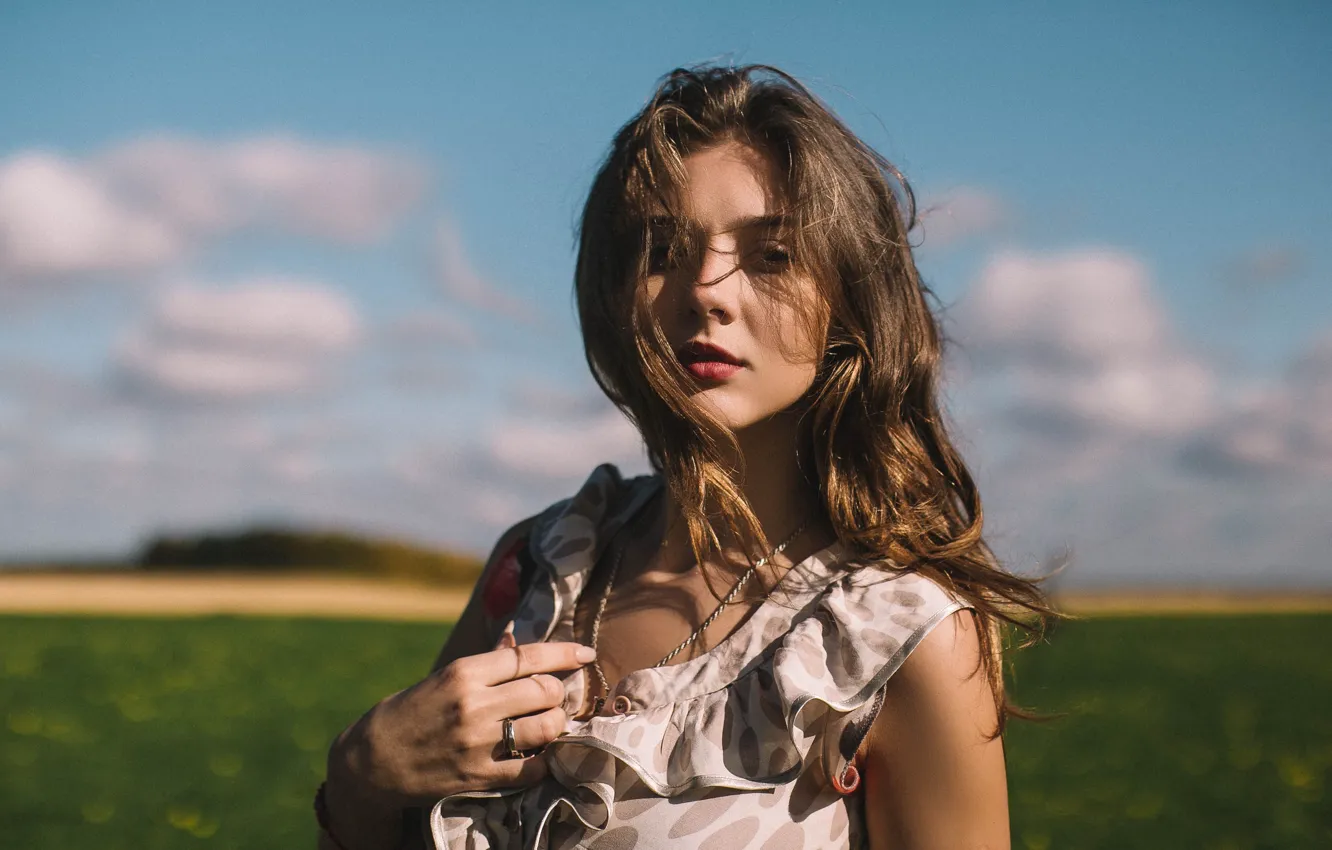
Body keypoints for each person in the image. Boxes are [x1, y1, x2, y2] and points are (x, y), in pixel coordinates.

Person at [316, 63, 1060, 850]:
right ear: (616, 292)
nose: (706, 288)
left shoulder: (894, 640)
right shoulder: (532, 567)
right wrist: (362, 778)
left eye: (772, 255)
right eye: (663, 248)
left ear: (847, 301)